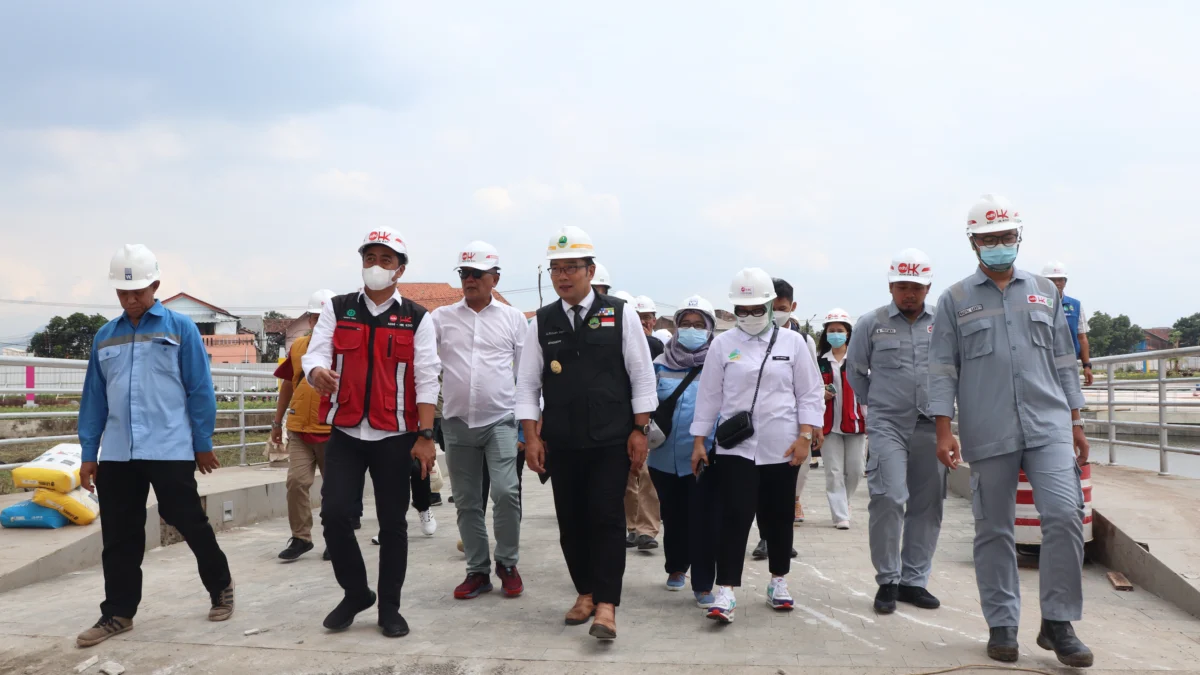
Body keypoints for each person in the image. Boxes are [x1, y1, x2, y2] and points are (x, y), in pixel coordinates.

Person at [929, 195, 1092, 667]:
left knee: (1064, 516)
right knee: (993, 528)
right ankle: (1001, 623)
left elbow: (1064, 360)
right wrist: (944, 430)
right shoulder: (955, 299)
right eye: (989, 239)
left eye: (1006, 237)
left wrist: (1077, 421)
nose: (999, 245)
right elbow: (941, 369)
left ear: (1017, 238)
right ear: (973, 243)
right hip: (988, 428)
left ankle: (1059, 622)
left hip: (1050, 425)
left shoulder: (1045, 290)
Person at [75, 245, 234, 648]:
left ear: (155, 286)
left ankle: (221, 587)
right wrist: (89, 452)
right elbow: (94, 397)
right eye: (123, 293)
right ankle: (117, 613)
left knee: (188, 521)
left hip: (169, 446)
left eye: (139, 291)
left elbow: (200, 389)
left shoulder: (180, 328)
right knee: (119, 535)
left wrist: (202, 442)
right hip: (118, 452)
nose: (131, 299)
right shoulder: (104, 337)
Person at [516, 226, 657, 640]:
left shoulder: (619, 313)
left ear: (590, 270)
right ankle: (585, 592)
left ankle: (607, 606)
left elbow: (642, 376)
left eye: (571, 268)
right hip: (562, 440)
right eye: (556, 269)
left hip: (612, 439)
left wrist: (639, 429)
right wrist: (532, 437)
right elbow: (526, 385)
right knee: (571, 522)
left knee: (606, 518)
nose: (563, 276)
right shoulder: (541, 321)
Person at [303, 227, 441, 639]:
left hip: (396, 435)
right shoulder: (338, 307)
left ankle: (390, 608)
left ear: (400, 269)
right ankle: (356, 592)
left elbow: (428, 375)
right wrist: (315, 372)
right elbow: (316, 350)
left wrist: (425, 435)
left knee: (393, 524)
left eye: (385, 260)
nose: (376, 267)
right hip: (345, 431)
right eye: (370, 259)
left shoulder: (418, 317)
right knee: (335, 515)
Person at [690, 268, 824, 623]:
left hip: (783, 447)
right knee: (733, 518)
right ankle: (726, 591)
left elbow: (809, 394)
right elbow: (709, 397)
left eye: (756, 309)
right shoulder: (723, 344)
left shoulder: (793, 344)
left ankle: (778, 581)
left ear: (769, 305)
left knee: (778, 517)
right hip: (736, 448)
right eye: (741, 310)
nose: (748, 317)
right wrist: (699, 441)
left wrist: (805, 438)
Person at [845, 248, 944, 617]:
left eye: (916, 287)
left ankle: (914, 581)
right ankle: (888, 579)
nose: (909, 294)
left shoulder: (944, 323)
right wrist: (880, 405)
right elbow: (855, 372)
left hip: (933, 424)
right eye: (902, 286)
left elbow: (956, 368)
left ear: (928, 286)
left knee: (927, 504)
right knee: (888, 498)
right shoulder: (870, 323)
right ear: (890, 286)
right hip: (888, 424)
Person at [433, 240, 527, 600]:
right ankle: (477, 570)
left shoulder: (514, 320)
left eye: (476, 274)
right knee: (468, 501)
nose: (469, 280)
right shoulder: (441, 319)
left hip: (500, 420)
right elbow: (425, 367)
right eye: (464, 273)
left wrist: (529, 424)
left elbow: (528, 374)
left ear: (495, 278)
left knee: (506, 492)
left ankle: (507, 562)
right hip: (456, 424)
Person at [647, 295, 720, 608]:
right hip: (663, 457)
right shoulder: (660, 364)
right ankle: (676, 567)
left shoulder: (719, 362)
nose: (692, 330)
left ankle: (704, 583)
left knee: (703, 517)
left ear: (709, 329)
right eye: (686, 324)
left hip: (704, 456)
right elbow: (645, 402)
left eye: (698, 325)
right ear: (676, 328)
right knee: (672, 515)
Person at [752, 277, 820, 560]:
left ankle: (780, 537)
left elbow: (812, 387)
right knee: (762, 489)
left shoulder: (803, 341)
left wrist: (813, 428)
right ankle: (766, 538)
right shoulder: (750, 339)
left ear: (792, 307)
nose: (776, 314)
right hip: (761, 431)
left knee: (789, 487)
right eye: (772, 308)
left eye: (781, 308)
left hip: (795, 429)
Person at [274, 289, 337, 562]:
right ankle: (301, 537)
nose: (318, 322)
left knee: (335, 489)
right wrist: (277, 422)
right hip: (300, 426)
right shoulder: (298, 347)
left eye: (324, 317)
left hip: (333, 429)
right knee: (296, 482)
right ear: (310, 320)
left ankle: (336, 538)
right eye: (314, 317)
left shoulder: (345, 348)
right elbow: (288, 384)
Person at [615, 292, 663, 551]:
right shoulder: (608, 343)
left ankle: (647, 529)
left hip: (643, 421)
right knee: (626, 478)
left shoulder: (653, 345)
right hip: (617, 420)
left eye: (646, 317)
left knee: (645, 477)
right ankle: (632, 527)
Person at [816, 308, 866, 530]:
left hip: (855, 423)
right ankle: (840, 515)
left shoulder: (859, 360)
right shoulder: (819, 362)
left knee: (856, 469)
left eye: (840, 330)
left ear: (848, 334)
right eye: (831, 330)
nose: (835, 334)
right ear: (825, 334)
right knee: (833, 471)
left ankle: (844, 502)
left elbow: (868, 391)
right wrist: (821, 394)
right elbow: (809, 389)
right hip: (829, 424)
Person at [1042, 261, 1093, 387]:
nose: (1057, 283)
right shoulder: (1036, 304)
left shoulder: (1075, 306)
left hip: (1068, 364)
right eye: (1052, 280)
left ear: (1065, 282)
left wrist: (1087, 365)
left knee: (1071, 402)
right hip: (1043, 363)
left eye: (1060, 280)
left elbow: (1082, 337)